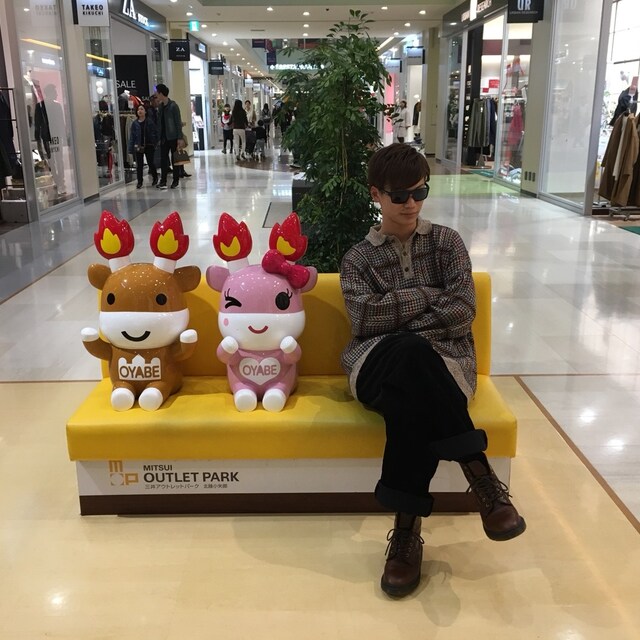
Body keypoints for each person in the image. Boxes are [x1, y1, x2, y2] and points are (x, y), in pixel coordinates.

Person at [339, 143, 526, 599]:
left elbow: (462, 311)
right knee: (409, 353)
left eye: (420, 192)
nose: (412, 203)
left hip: (446, 365)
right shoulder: (357, 259)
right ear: (376, 194)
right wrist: (427, 296)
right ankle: (479, 474)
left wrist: (398, 317)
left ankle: (406, 532)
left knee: (412, 387)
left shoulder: (447, 242)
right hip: (374, 363)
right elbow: (364, 320)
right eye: (400, 195)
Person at [155, 83, 185, 189]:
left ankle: (175, 180)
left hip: (173, 136)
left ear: (161, 93)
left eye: (157, 93)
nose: (156, 95)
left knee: (175, 159)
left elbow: (178, 122)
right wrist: (159, 137)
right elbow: (160, 123)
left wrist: (180, 137)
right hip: (164, 137)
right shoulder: (160, 107)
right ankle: (163, 180)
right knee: (163, 159)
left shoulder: (173, 106)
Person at [127, 103, 158, 188]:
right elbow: (132, 137)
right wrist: (130, 148)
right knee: (139, 165)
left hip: (149, 145)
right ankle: (139, 181)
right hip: (138, 146)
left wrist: (155, 143)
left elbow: (155, 133)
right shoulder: (134, 123)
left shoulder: (149, 122)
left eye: (141, 109)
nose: (139, 111)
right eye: (138, 109)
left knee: (150, 163)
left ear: (145, 111)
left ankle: (155, 177)